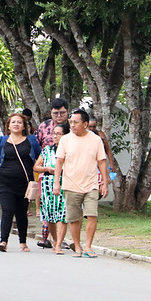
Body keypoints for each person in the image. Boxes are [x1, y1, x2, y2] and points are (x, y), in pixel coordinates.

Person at [0, 113, 42, 252]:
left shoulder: (31, 141)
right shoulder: (2, 141)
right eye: (13, 122)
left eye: (19, 122)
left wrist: (44, 170)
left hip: (25, 183)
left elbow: (40, 157)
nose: (16, 124)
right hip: (5, 182)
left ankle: (23, 242)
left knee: (21, 212)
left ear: (24, 126)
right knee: (7, 210)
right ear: (8, 125)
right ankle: (3, 241)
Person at [53, 109, 109, 258]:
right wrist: (56, 183)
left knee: (92, 215)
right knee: (74, 217)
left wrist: (104, 182)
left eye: (75, 122)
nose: (72, 125)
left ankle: (88, 246)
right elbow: (59, 162)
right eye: (70, 122)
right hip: (71, 184)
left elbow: (102, 162)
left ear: (85, 124)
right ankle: (77, 246)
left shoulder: (95, 139)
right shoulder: (65, 140)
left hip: (91, 184)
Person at [34, 123, 69, 254]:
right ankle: (55, 240)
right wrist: (47, 169)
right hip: (48, 182)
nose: (55, 136)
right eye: (54, 133)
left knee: (62, 214)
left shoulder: (69, 150)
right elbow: (36, 166)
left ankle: (59, 243)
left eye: (59, 134)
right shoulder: (47, 150)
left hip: (64, 182)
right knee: (50, 215)